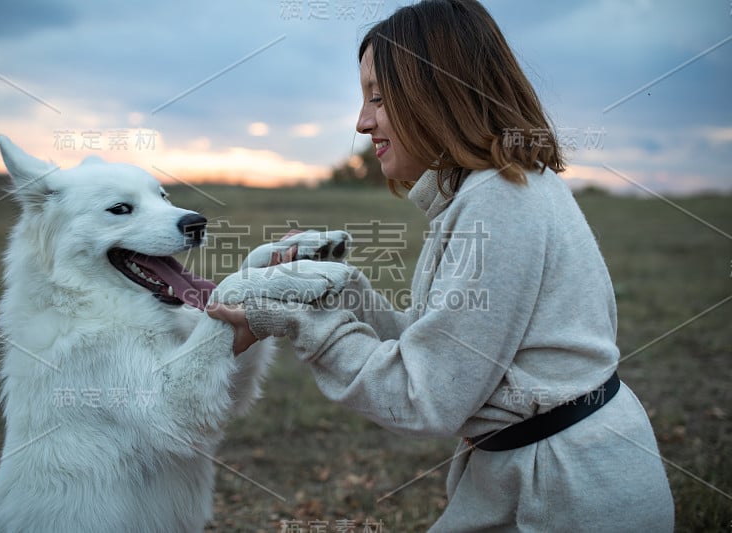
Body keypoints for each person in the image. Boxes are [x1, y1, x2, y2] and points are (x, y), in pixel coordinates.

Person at [207, 0, 675, 530]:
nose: (362, 123)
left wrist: (297, 319)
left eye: (378, 98)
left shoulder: (501, 201)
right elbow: (435, 349)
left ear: (437, 93)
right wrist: (330, 288)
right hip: (536, 475)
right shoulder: (486, 192)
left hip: (566, 496)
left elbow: (424, 396)